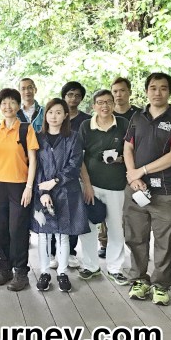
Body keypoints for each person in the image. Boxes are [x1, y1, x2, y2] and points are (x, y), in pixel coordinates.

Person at [123, 72, 171, 306]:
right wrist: (133, 176)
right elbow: (127, 147)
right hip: (136, 190)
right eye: (153, 88)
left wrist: (141, 171)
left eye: (163, 88)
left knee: (165, 241)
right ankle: (139, 280)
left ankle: (161, 285)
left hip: (165, 192)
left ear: (169, 91)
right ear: (146, 91)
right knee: (135, 237)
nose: (157, 92)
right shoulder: (137, 117)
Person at [0, 88, 39, 292]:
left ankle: (21, 273)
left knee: (17, 230)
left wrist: (29, 187)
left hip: (19, 186)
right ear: (0, 106)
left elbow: (33, 160)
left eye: (12, 102)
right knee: (0, 229)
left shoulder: (25, 129)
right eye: (4, 103)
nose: (8, 106)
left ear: (18, 105)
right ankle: (4, 269)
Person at [33, 98, 88, 292]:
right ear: (45, 115)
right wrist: (43, 191)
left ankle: (62, 273)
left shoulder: (73, 137)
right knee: (43, 235)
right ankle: (45, 272)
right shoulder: (38, 138)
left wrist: (55, 181)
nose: (54, 116)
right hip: (42, 193)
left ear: (65, 115)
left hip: (66, 192)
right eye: (50, 112)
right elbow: (35, 167)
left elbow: (74, 165)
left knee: (63, 234)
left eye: (58, 112)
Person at [78, 90, 129, 285]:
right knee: (89, 226)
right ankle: (91, 266)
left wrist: (120, 159)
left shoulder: (123, 124)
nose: (104, 106)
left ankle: (115, 268)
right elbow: (79, 158)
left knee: (116, 228)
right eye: (100, 102)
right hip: (91, 185)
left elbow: (131, 151)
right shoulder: (86, 126)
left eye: (108, 102)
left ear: (114, 104)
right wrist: (87, 185)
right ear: (94, 106)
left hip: (116, 185)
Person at [96, 77, 141, 258]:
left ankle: (135, 246)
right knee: (107, 210)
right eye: (115, 91)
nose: (119, 94)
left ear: (129, 92)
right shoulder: (106, 114)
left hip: (133, 170)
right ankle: (104, 242)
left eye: (122, 90)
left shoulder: (139, 115)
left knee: (132, 211)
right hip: (108, 171)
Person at [60, 81, 92, 268]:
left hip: (79, 170)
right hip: (56, 172)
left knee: (73, 212)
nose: (73, 98)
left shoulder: (86, 120)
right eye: (70, 94)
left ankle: (71, 251)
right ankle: (54, 252)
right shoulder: (57, 116)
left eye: (77, 95)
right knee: (56, 212)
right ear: (64, 96)